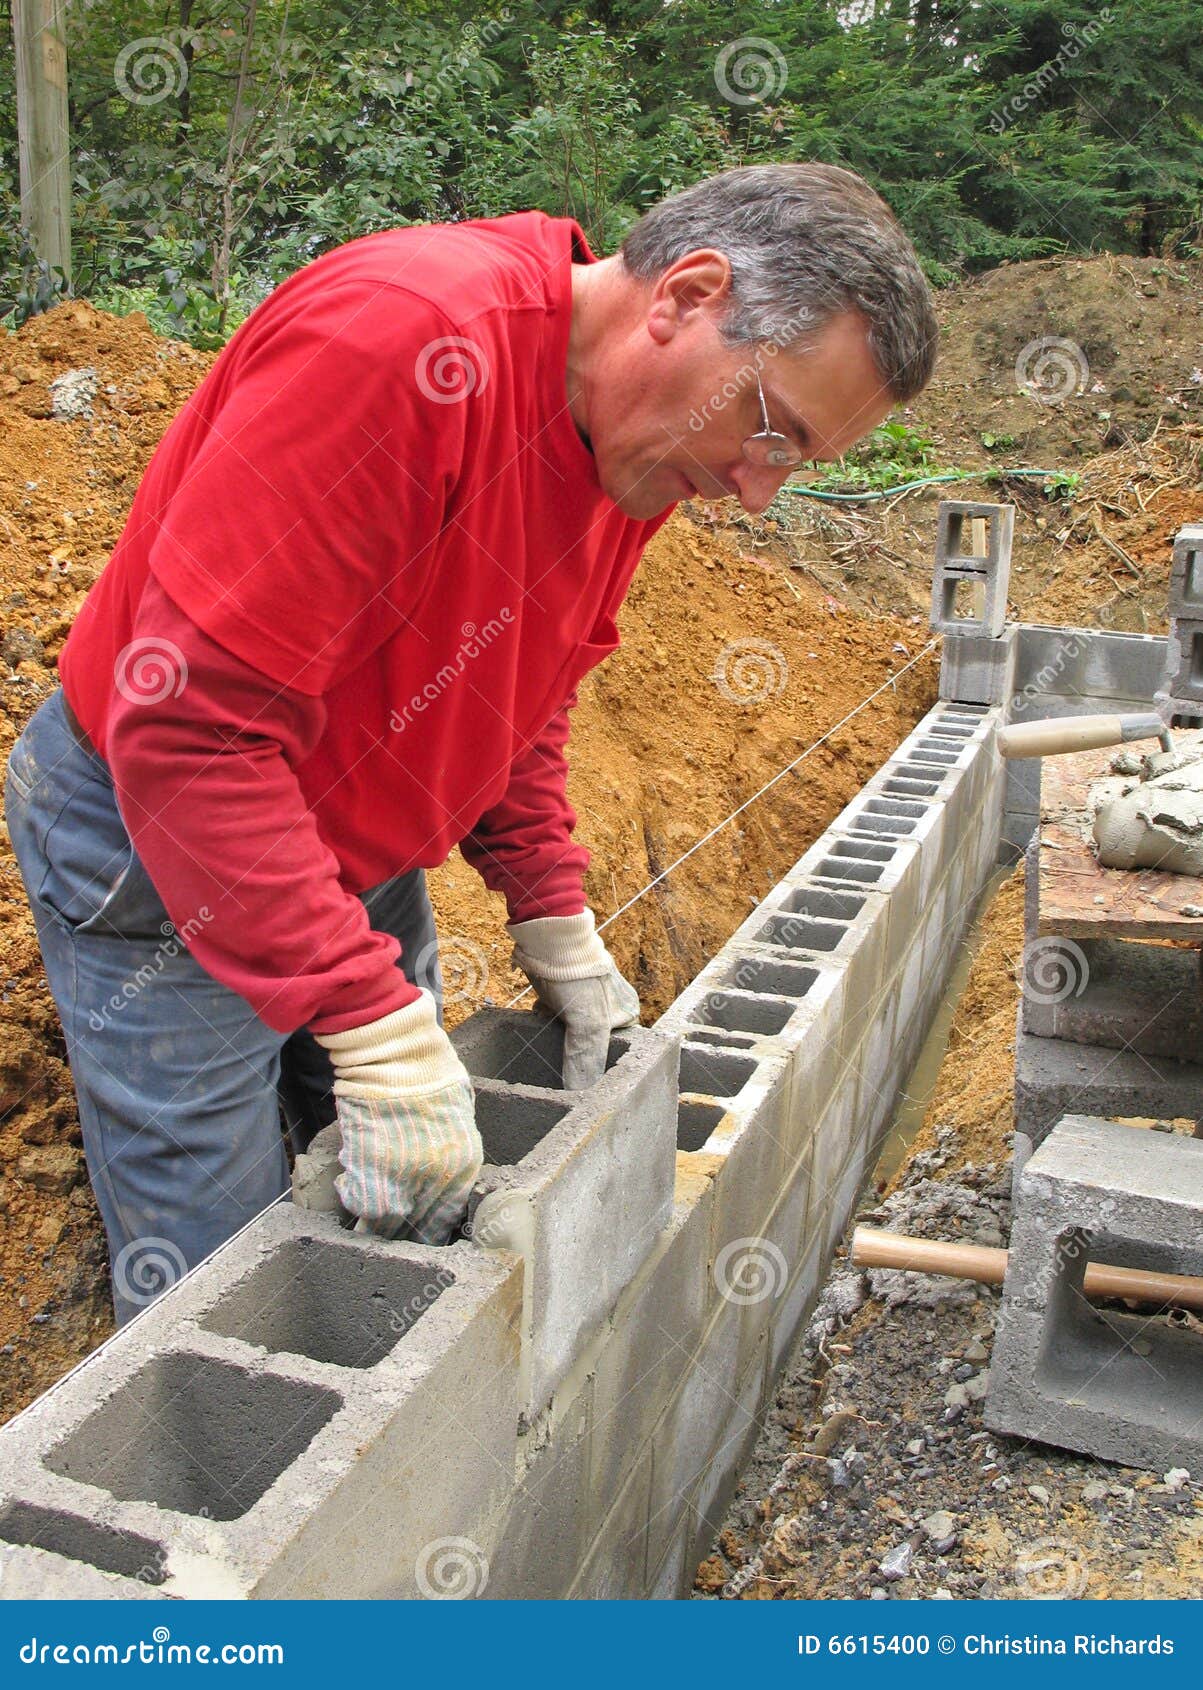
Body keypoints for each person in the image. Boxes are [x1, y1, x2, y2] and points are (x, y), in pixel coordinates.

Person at [4, 163, 937, 1322]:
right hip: (167, 852)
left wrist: (549, 903)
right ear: (688, 293)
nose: (757, 490)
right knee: (221, 1282)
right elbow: (192, 729)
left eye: (799, 464)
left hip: (361, 843)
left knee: (403, 1184)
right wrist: (371, 1022)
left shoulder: (635, 456)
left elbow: (521, 687)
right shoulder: (405, 349)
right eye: (772, 430)